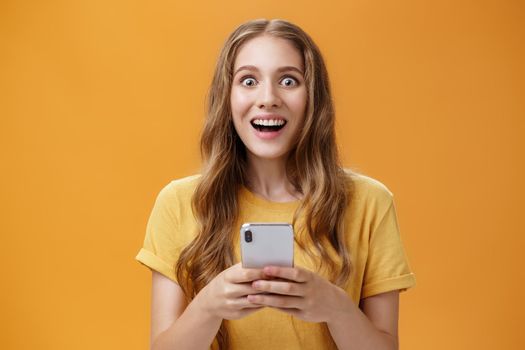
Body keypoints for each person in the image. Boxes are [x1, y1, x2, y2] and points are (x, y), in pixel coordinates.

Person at [136, 18, 416, 350]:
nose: (268, 98)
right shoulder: (179, 203)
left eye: (288, 80)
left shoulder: (370, 202)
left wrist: (336, 307)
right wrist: (209, 305)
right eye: (249, 80)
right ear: (226, 97)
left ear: (314, 98)